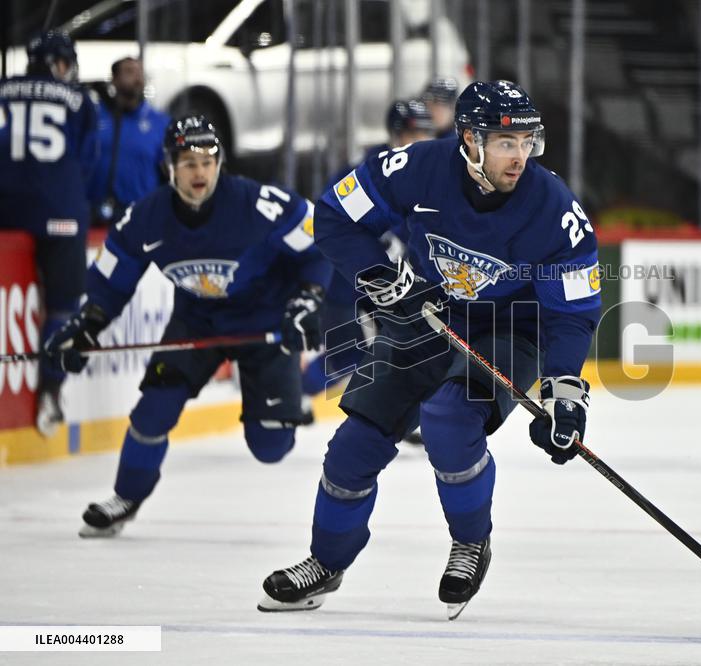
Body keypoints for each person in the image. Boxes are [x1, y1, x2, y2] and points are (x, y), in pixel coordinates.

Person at [257, 80, 601, 619]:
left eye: (527, 142)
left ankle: (470, 541)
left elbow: (572, 311)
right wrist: (380, 277)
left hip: (512, 328)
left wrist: (564, 391)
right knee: (352, 446)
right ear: (469, 139)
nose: (520, 157)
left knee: (449, 416)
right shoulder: (413, 168)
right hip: (427, 313)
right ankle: (326, 561)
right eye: (505, 143)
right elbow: (333, 213)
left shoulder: (555, 210)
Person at [42, 115, 332, 537]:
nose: (199, 171)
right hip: (196, 322)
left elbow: (316, 245)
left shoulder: (257, 205)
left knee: (271, 446)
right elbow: (112, 280)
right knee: (151, 413)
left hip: (265, 323)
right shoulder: (146, 218)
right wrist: (86, 325)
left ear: (220, 163)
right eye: (188, 162)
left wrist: (308, 298)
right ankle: (126, 497)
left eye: (207, 160)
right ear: (169, 165)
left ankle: (274, 409)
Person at [301, 99, 436, 423]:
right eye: (414, 132)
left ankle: (410, 414)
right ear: (395, 133)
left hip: (395, 277)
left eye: (426, 132)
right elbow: (330, 216)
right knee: (348, 355)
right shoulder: (370, 169)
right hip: (348, 278)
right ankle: (301, 389)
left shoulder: (433, 172)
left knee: (411, 344)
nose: (421, 140)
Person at [0, 30, 100, 437]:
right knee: (64, 308)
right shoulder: (80, 102)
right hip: (61, 213)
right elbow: (89, 164)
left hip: (5, 210)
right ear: (60, 63)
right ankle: (51, 392)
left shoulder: (3, 90)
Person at [87, 56, 171, 226]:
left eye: (140, 72)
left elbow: (170, 172)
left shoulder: (159, 122)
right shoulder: (94, 117)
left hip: (141, 217)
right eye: (129, 72)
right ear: (114, 80)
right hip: (95, 216)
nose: (137, 78)